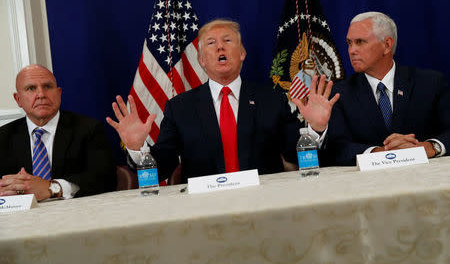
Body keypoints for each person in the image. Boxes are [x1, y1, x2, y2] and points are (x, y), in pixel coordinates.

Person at [107, 19, 339, 182]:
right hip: (203, 210)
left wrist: (316, 130)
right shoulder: (180, 108)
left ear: (242, 54)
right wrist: (138, 149)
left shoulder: (271, 100)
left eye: (227, 40)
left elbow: (295, 154)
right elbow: (162, 168)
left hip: (264, 203)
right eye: (211, 43)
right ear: (201, 60)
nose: (219, 46)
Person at [327, 12, 450, 165]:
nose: (351, 50)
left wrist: (429, 147)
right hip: (367, 185)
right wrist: (382, 153)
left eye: (360, 42)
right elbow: (336, 148)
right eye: (349, 43)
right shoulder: (339, 93)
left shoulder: (430, 83)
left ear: (387, 45)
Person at [0, 65, 115, 201]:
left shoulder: (88, 128)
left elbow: (106, 179)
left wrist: (53, 188)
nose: (41, 94)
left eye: (47, 87)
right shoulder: (3, 136)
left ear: (59, 93)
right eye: (31, 88)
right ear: (18, 99)